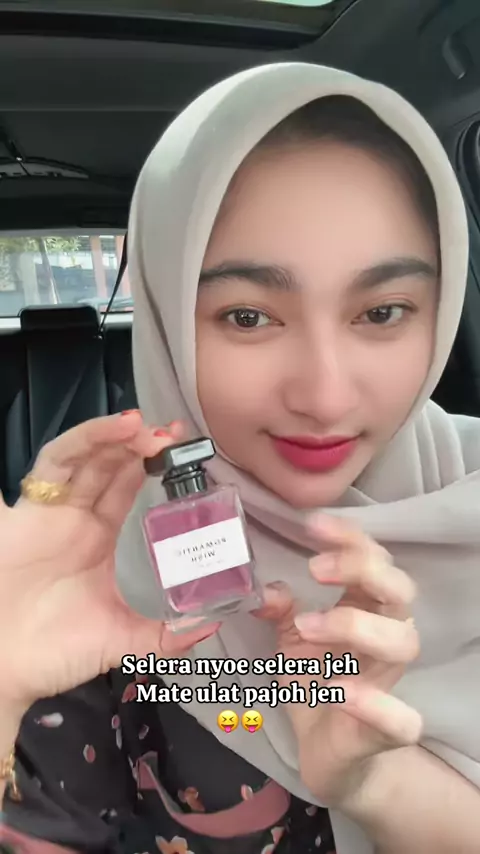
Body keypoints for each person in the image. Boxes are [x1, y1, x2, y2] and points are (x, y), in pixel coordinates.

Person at [0, 62, 479, 854]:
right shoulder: (110, 594)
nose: (325, 396)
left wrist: (374, 781)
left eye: (383, 311)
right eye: (249, 316)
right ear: (166, 323)